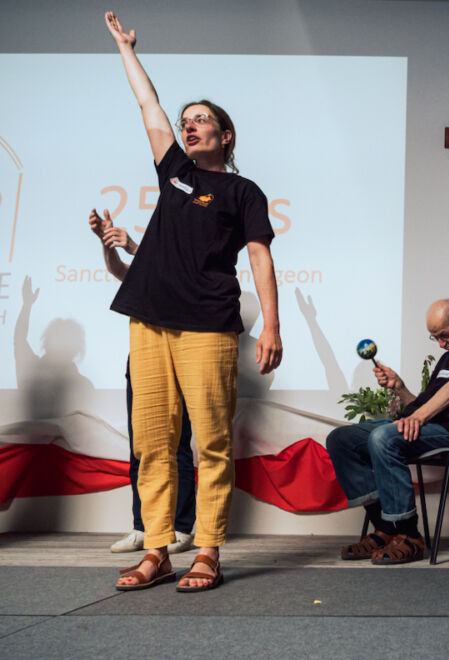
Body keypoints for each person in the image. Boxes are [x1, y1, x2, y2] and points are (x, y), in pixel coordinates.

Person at [104, 11, 282, 592]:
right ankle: (157, 550)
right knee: (153, 443)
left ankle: (207, 550)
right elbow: (147, 106)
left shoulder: (241, 190)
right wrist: (128, 50)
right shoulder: (175, 173)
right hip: (149, 321)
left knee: (209, 442)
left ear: (225, 136)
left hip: (207, 324)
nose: (189, 126)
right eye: (186, 121)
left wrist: (273, 327)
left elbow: (259, 257)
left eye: (202, 120)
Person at [326, 299, 449, 565]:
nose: (441, 344)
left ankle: (409, 536)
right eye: (434, 338)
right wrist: (399, 386)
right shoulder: (447, 358)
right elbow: (421, 405)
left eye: (444, 336)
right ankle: (385, 528)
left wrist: (418, 416)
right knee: (341, 440)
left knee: (383, 438)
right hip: (426, 425)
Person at [88, 209, 196, 555]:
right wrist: (107, 244)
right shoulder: (150, 265)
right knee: (142, 445)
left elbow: (185, 279)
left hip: (183, 357)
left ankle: (180, 527)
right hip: (143, 360)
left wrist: (134, 244)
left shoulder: (190, 258)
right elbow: (121, 272)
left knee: (177, 444)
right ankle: (143, 525)